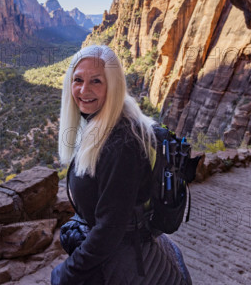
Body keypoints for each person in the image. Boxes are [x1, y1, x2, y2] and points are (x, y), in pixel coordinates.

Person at [51, 45, 191, 285]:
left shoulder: (122, 143)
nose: (84, 90)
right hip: (130, 247)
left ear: (114, 86)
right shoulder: (100, 123)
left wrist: (68, 273)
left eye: (96, 81)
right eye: (78, 80)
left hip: (130, 261)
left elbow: (110, 229)